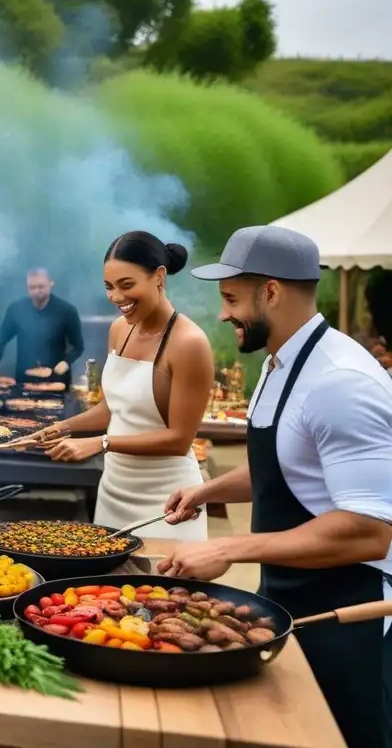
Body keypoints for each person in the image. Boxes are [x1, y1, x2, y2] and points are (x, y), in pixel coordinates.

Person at [161, 225, 392, 748]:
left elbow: (369, 531)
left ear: (271, 291)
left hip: (351, 611)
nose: (222, 314)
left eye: (230, 298)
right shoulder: (279, 362)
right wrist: (207, 491)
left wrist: (232, 547)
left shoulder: (341, 383)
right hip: (288, 595)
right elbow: (287, 468)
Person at [41, 231, 214, 540]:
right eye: (109, 287)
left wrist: (100, 443)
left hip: (168, 500)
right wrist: (62, 427)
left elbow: (178, 438)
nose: (117, 298)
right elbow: (112, 408)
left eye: (127, 285)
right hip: (113, 490)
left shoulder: (189, 343)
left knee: (163, 588)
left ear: (159, 276)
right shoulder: (120, 330)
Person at [0, 267, 84, 386]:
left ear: (51, 283)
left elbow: (78, 347)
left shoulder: (67, 311)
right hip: (24, 380)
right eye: (32, 287)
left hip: (56, 381)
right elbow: (1, 341)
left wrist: (66, 362)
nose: (36, 291)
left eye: (41, 287)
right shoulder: (16, 309)